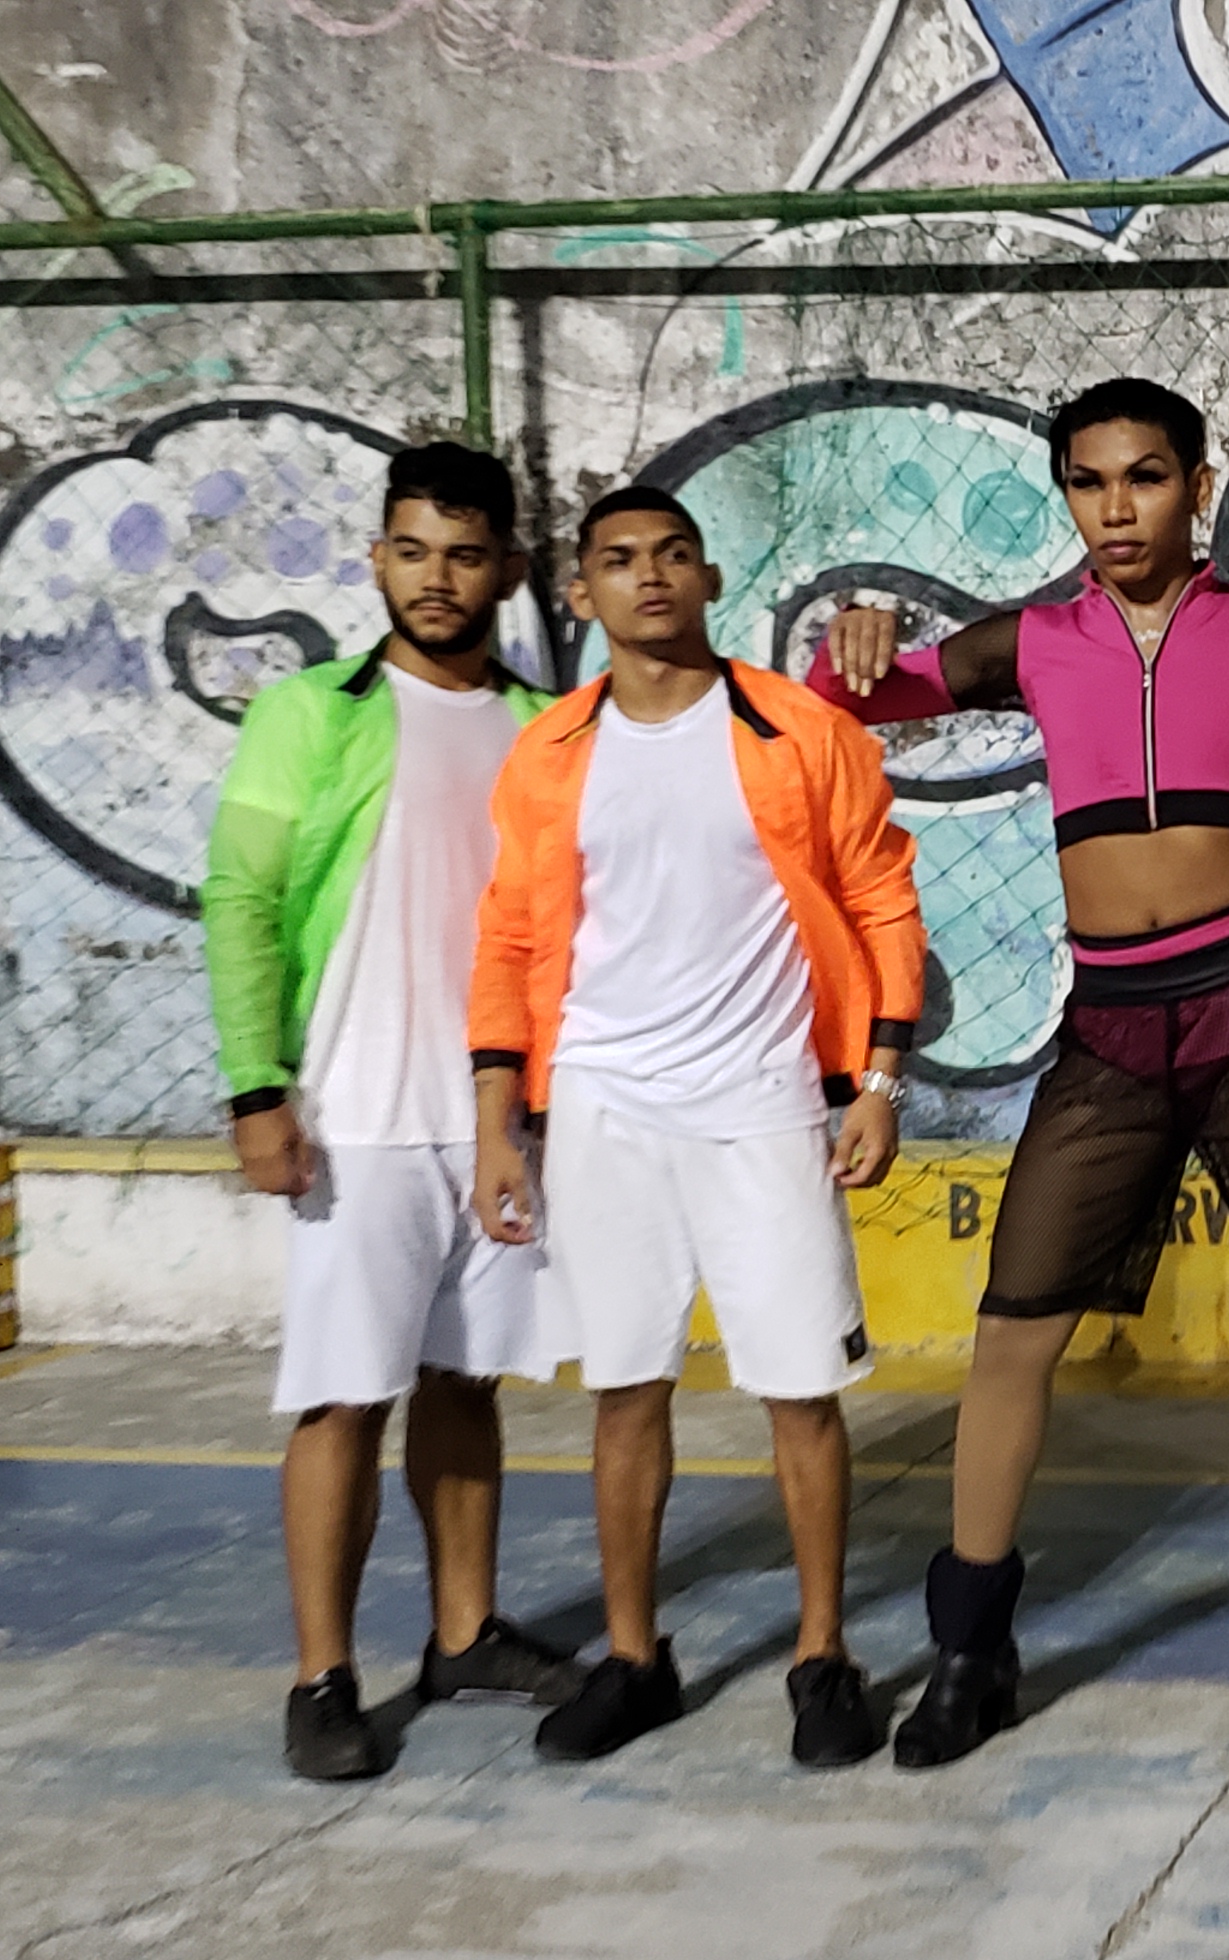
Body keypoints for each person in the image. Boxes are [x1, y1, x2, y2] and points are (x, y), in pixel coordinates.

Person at [814, 377, 1229, 1779]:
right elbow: (848, 700)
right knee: (1014, 1326)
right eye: (1088, 483)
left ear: (1197, 486)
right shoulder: (1033, 644)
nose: (1117, 509)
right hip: (1110, 1029)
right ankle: (973, 1650)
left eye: (1145, 477)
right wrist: (855, 642)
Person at [464, 486, 926, 1770]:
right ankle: (634, 1658)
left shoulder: (796, 730)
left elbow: (883, 897)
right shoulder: (549, 752)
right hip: (602, 1108)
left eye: (673, 555)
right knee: (625, 1391)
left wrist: (879, 1082)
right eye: (619, 560)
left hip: (763, 1106)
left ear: (711, 578)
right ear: (582, 591)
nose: (650, 576)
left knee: (802, 1393)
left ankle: (822, 1656)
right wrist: (499, 1121)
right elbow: (509, 938)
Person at [202, 441, 573, 1781]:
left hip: (494, 1122)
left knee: (465, 1382)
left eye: (465, 555)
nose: (436, 578)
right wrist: (258, 1088)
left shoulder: (548, 728)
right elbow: (241, 900)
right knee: (344, 1396)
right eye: (411, 551)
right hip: (353, 1113)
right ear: (376, 561)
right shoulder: (310, 712)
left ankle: (464, 1633)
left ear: (508, 570)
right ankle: (323, 1676)